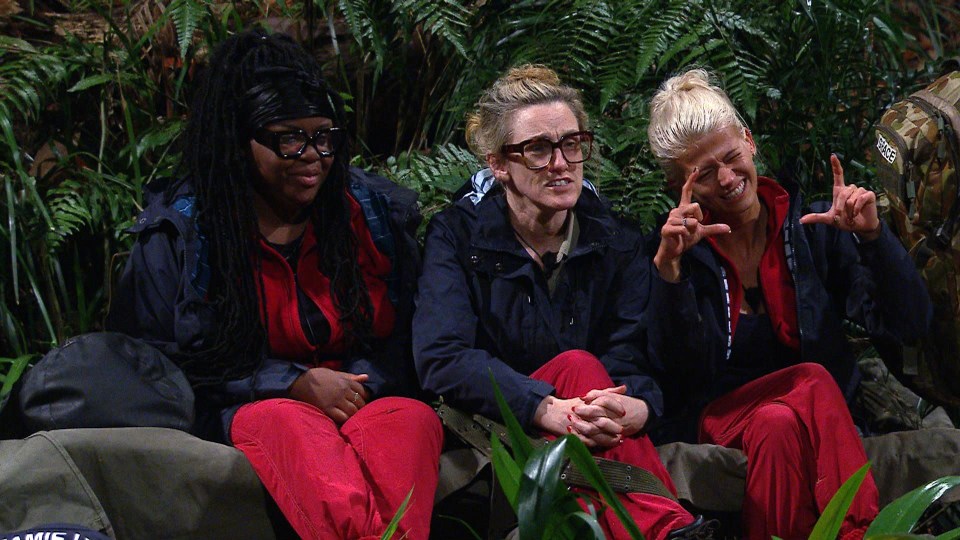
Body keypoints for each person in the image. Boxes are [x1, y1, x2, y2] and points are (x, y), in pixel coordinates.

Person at [108, 28, 442, 540]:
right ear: (242, 143)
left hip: (367, 397)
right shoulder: (185, 232)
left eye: (324, 136)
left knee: (411, 420)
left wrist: (358, 382)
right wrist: (288, 382)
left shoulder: (370, 215)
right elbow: (153, 362)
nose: (313, 156)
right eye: (289, 138)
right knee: (290, 424)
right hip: (247, 410)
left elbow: (415, 334)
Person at [413, 64, 712, 540]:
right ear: (498, 164)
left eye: (571, 144)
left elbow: (631, 354)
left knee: (584, 370)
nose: (560, 163)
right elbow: (442, 358)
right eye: (537, 149)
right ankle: (668, 529)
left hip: (589, 420)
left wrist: (637, 404)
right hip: (500, 419)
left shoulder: (613, 237)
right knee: (575, 363)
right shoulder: (457, 235)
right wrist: (543, 405)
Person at [644, 68, 933, 540]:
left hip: (792, 423)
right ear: (681, 186)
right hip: (717, 417)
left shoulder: (811, 228)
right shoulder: (672, 251)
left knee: (777, 424)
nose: (726, 178)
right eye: (703, 174)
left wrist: (873, 238)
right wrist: (670, 273)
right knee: (812, 381)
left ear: (750, 141)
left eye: (731, 157)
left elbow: (910, 322)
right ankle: (858, 531)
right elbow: (676, 374)